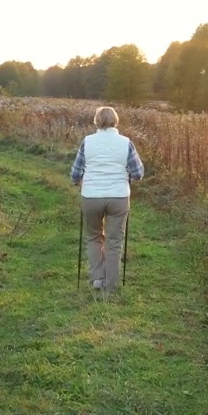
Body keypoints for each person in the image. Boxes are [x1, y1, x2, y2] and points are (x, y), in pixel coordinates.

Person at [70, 106, 145, 293]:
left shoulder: (87, 142)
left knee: (94, 237)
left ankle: (97, 279)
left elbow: (75, 173)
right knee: (114, 241)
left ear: (96, 121)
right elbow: (138, 173)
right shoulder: (126, 143)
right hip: (118, 196)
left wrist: (79, 181)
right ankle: (110, 286)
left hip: (91, 197)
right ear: (115, 121)